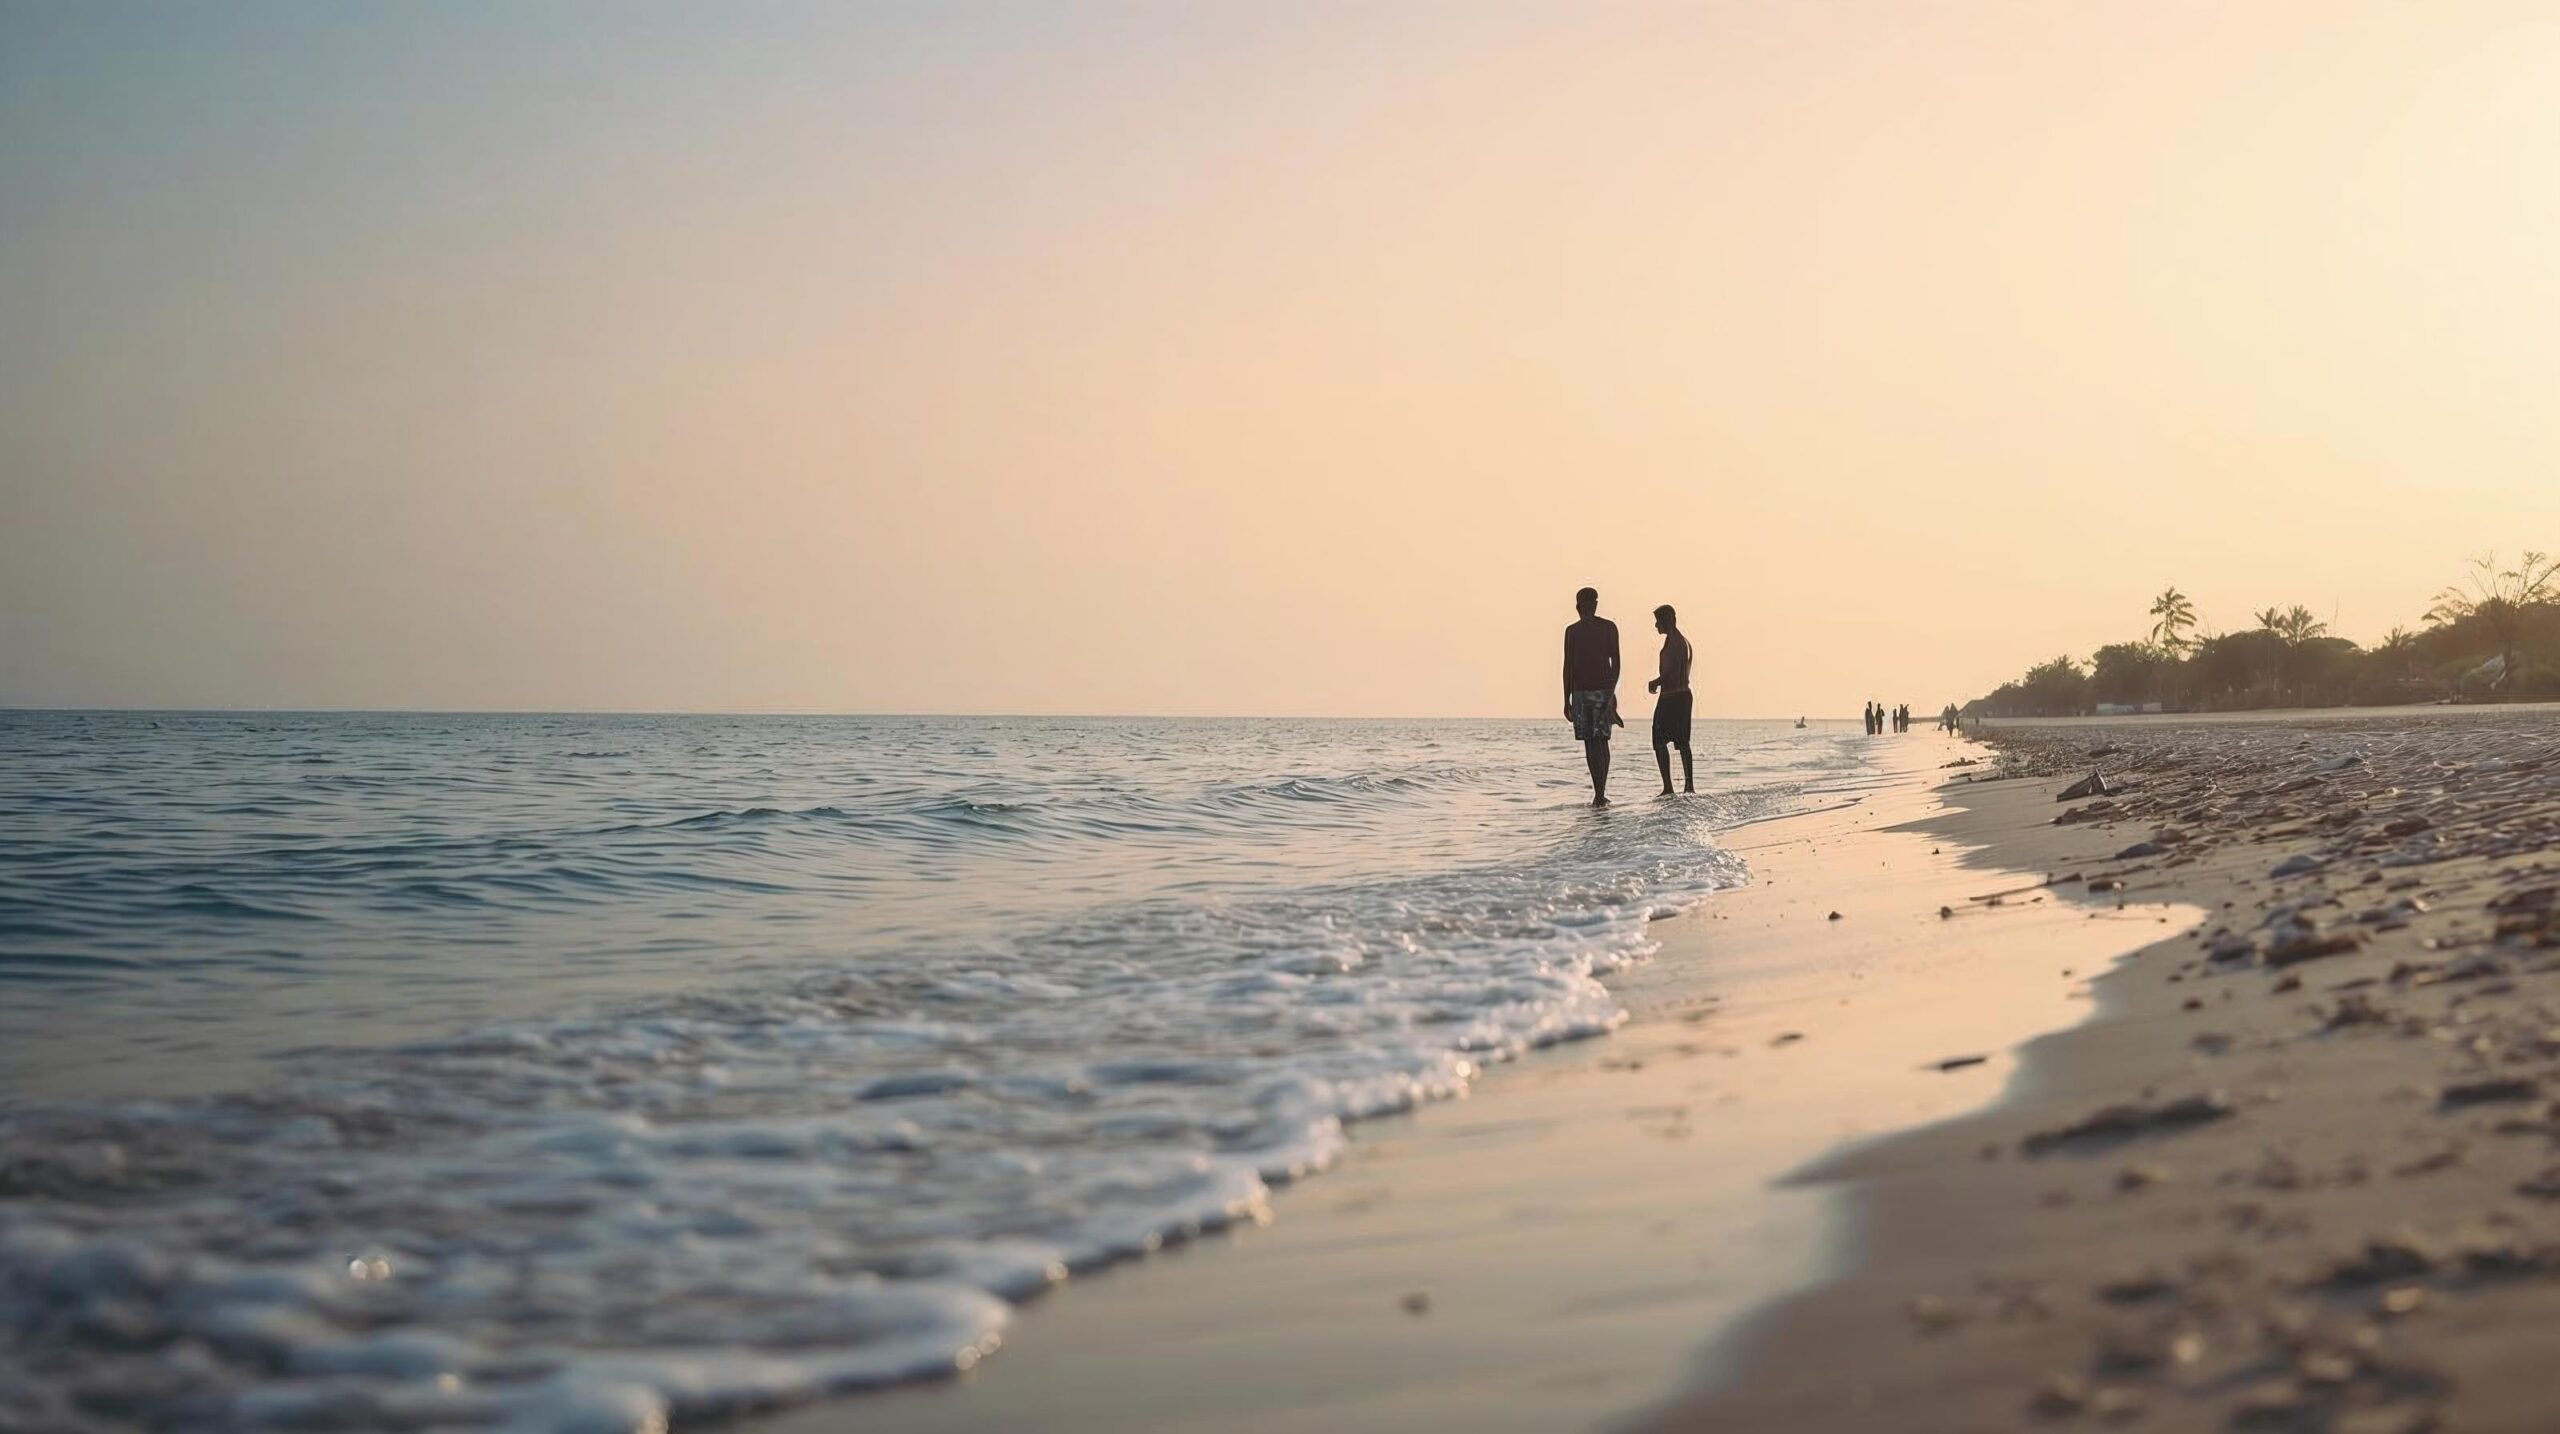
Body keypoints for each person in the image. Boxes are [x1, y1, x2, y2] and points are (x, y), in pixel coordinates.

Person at [1562, 587, 1622, 806]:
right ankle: (1599, 792)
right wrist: (1566, 699)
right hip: (1588, 692)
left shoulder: (1604, 628)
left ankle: (1600, 792)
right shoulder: (1576, 631)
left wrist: (1610, 693)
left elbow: (1615, 663)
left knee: (1597, 742)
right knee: (1596, 742)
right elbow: (1568, 666)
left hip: (1595, 692)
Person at [1646, 604, 1695, 796]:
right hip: (1673, 697)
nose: (1656, 625)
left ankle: (1683, 785)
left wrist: (1656, 681)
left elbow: (1673, 672)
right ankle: (1672, 786)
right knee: (1665, 741)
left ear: (1669, 619)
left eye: (1658, 621)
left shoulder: (1678, 642)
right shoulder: (1674, 641)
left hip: (1675, 697)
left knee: (1674, 741)